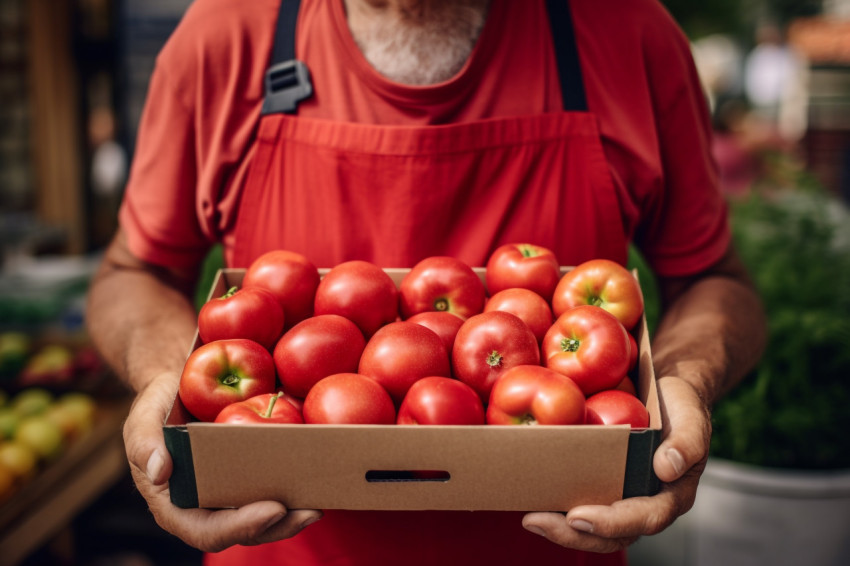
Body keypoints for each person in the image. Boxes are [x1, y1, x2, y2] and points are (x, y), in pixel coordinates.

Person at [86, 0, 767, 565]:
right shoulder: (225, 37)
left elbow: (713, 280)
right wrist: (161, 381)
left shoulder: (627, 33)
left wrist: (683, 379)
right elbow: (134, 273)